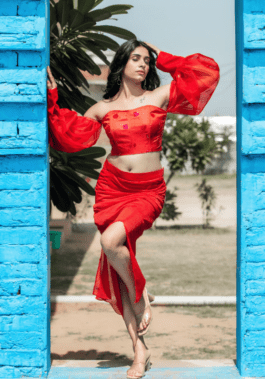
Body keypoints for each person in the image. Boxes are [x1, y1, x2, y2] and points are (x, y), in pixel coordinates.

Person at [47, 39, 220, 379]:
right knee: (116, 269)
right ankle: (139, 352)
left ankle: (139, 292)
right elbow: (68, 135)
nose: (144, 64)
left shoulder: (159, 96)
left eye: (147, 60)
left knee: (111, 244)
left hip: (147, 191)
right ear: (121, 64)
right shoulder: (101, 108)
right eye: (136, 58)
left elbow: (205, 73)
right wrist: (51, 99)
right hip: (112, 189)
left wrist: (165, 57)